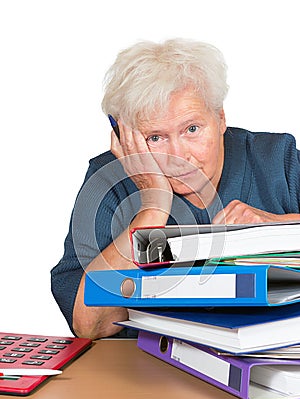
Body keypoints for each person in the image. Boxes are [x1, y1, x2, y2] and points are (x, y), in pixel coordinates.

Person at [51, 38, 300, 340]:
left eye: (192, 129)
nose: (179, 156)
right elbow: (91, 325)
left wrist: (275, 226)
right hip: (146, 371)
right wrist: (153, 205)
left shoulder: (277, 159)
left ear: (220, 117)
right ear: (126, 138)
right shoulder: (108, 181)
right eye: (155, 138)